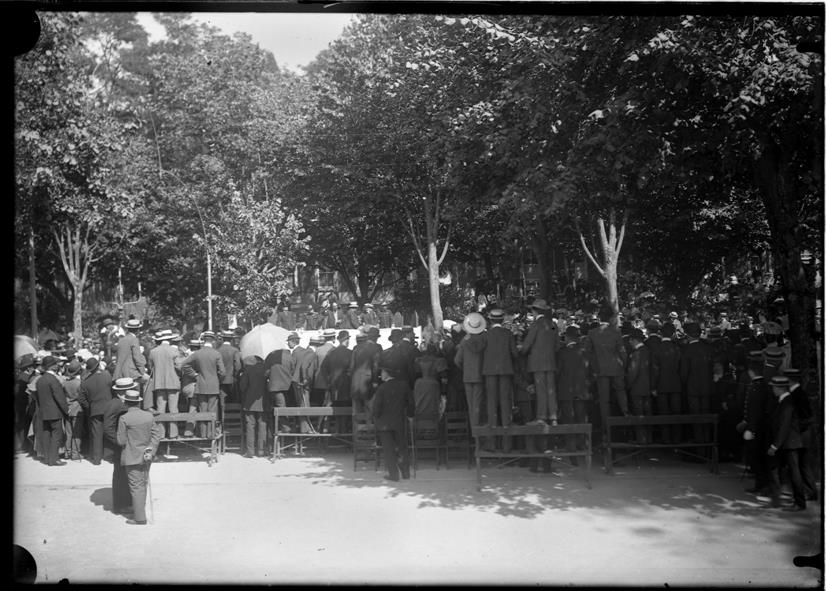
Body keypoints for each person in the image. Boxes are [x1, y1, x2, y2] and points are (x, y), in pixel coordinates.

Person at [116, 389, 163, 525]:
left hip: (131, 457)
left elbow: (121, 441)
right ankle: (139, 510)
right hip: (147, 456)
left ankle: (140, 518)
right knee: (143, 483)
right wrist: (151, 450)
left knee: (136, 486)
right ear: (138, 402)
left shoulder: (124, 418)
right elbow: (156, 435)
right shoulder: (148, 416)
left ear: (126, 402)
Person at [584, 305, 629, 443]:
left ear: (599, 317)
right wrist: (624, 366)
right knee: (621, 391)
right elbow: (622, 352)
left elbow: (588, 353)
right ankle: (627, 414)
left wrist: (593, 368)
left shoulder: (592, 333)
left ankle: (606, 429)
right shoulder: (616, 332)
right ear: (610, 318)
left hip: (601, 370)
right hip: (616, 368)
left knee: (604, 400)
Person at [765, 376, 807, 511]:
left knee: (794, 473)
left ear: (779, 388)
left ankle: (800, 503)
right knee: (776, 469)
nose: (772, 389)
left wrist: (774, 446)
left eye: (773, 387)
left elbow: (784, 426)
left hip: (789, 443)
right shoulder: (782, 401)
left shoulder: (787, 403)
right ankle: (776, 500)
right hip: (785, 443)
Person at [481, 309, 518, 452]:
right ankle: (506, 445)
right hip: (505, 371)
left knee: (491, 405)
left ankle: (492, 444)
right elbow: (514, 353)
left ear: (490, 320)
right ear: (502, 320)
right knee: (505, 405)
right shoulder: (508, 334)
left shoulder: (485, 335)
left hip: (489, 372)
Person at [521, 298, 561, 427]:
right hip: (550, 362)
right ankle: (553, 417)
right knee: (551, 389)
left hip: (537, 363)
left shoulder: (536, 325)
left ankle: (542, 417)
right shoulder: (553, 325)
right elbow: (557, 346)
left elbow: (527, 345)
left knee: (541, 390)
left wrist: (522, 351)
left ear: (534, 311)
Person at [372, 364, 415, 481]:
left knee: (389, 450)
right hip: (399, 421)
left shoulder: (381, 388)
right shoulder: (404, 385)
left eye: (382, 372)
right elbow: (411, 403)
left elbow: (376, 408)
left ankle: (394, 475)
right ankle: (406, 473)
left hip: (384, 424)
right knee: (402, 447)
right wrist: (410, 415)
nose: (381, 375)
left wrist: (376, 420)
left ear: (387, 373)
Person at [739, 352, 773, 495]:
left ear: (751, 372)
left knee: (758, 458)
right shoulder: (760, 385)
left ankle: (763, 485)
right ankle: (760, 485)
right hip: (757, 426)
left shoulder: (756, 387)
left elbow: (755, 410)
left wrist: (750, 428)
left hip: (756, 428)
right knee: (757, 458)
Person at [181, 331, 226, 438]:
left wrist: (195, 375)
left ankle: (203, 433)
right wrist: (218, 379)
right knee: (212, 411)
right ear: (213, 340)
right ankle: (210, 434)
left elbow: (184, 365)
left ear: (204, 340)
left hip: (200, 385)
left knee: (202, 410)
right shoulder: (216, 354)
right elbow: (223, 372)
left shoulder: (197, 353)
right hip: (213, 386)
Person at [784, 368, 818, 501]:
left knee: (797, 465)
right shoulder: (798, 393)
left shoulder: (796, 395)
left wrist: (794, 430)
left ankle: (803, 493)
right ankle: (810, 491)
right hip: (804, 434)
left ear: (789, 380)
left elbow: (805, 417)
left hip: (800, 435)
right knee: (803, 464)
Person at [556, 325, 590, 453]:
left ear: (567, 337)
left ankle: (571, 446)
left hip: (566, 391)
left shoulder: (562, 352)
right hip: (581, 391)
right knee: (581, 418)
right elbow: (590, 371)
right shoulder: (585, 351)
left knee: (568, 419)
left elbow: (558, 372)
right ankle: (584, 445)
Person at [679, 322, 713, 444]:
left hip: (692, 389)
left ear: (688, 335)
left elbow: (684, 373)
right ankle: (708, 445)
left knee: (696, 418)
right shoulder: (707, 349)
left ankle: (700, 448)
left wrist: (684, 385)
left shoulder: (686, 350)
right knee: (706, 417)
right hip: (707, 388)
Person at [104, 377, 134, 515]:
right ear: (122, 391)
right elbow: (107, 427)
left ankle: (126, 502)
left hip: (124, 444)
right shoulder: (114, 404)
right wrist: (118, 441)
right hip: (118, 446)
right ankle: (120, 505)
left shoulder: (122, 402)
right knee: (120, 475)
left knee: (125, 473)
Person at [454, 312, 487, 429]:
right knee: (479, 405)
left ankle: (474, 431)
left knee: (471, 405)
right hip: (481, 376)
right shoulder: (485, 338)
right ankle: (479, 430)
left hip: (467, 377)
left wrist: (466, 369)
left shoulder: (464, 340)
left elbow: (457, 360)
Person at [77, 357, 112, 465]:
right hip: (108, 408)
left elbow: (81, 399)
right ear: (98, 366)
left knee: (96, 435)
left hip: (94, 410)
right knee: (109, 432)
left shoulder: (85, 382)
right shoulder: (106, 375)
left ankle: (97, 459)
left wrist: (90, 407)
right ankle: (109, 456)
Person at [35, 355, 69, 466]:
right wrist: (66, 410)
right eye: (55, 364)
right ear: (53, 366)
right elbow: (60, 397)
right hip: (54, 412)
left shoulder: (40, 380)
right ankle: (54, 459)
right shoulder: (53, 380)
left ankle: (47, 458)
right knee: (56, 435)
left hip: (43, 412)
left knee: (46, 434)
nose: (57, 365)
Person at [148, 330, 182, 440]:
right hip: (173, 382)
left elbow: (150, 367)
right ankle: (173, 434)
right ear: (170, 339)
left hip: (158, 383)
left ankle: (161, 434)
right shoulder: (174, 351)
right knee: (173, 409)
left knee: (160, 409)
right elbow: (179, 366)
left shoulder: (153, 352)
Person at [320, 330, 353, 433]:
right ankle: (343, 432)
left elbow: (323, 368)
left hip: (333, 386)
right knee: (346, 409)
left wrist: (328, 380)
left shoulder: (331, 353)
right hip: (346, 386)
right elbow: (353, 369)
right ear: (346, 340)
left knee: (336, 409)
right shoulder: (350, 353)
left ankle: (338, 431)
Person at [626, 328, 652, 444]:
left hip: (637, 389)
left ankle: (641, 440)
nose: (629, 343)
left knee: (639, 415)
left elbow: (632, 373)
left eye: (630, 340)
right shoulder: (648, 351)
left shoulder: (636, 354)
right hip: (649, 388)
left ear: (633, 340)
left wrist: (627, 386)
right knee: (648, 415)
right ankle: (649, 439)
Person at [239, 355, 269, 457]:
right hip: (263, 402)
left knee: (250, 426)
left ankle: (250, 451)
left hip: (249, 403)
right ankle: (261, 451)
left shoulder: (248, 369)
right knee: (262, 425)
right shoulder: (267, 370)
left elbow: (242, 386)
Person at [350, 327, 382, 416]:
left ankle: (356, 429)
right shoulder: (377, 348)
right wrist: (375, 381)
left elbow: (351, 367)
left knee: (356, 409)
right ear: (376, 337)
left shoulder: (356, 347)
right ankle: (369, 428)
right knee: (370, 408)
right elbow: (376, 366)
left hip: (355, 381)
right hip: (369, 381)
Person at [264, 348, 294, 436]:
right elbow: (292, 369)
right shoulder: (289, 356)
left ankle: (285, 427)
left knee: (280, 407)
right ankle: (286, 426)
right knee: (284, 406)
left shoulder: (270, 356)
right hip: (288, 385)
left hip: (275, 387)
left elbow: (266, 372)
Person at [217, 330, 243, 422]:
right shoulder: (235, 350)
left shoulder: (218, 350)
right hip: (232, 380)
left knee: (222, 403)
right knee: (234, 401)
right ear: (231, 339)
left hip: (220, 380)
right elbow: (238, 366)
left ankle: (222, 421)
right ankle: (234, 421)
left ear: (223, 339)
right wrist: (236, 376)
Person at [62, 359, 85, 460]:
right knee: (77, 433)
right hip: (77, 408)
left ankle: (67, 452)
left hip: (68, 408)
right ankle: (75, 454)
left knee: (68, 432)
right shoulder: (80, 383)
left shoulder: (65, 383)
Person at [113, 318, 148, 383]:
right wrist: (142, 371)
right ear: (137, 330)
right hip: (131, 373)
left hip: (119, 373)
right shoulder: (134, 339)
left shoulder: (121, 340)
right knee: (149, 381)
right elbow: (137, 358)